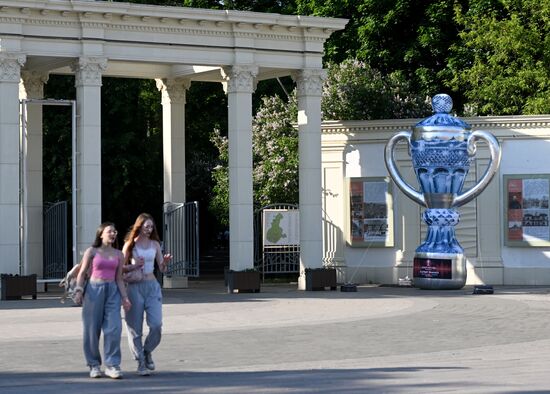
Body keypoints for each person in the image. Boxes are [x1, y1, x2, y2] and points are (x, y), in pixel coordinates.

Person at [74, 222, 132, 379]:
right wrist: (79, 290)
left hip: (112, 291)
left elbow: (119, 278)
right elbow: (82, 272)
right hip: (93, 290)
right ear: (101, 234)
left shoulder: (119, 254)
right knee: (92, 330)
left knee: (114, 328)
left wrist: (125, 298)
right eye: (110, 231)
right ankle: (93, 364)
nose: (113, 234)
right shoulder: (92, 251)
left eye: (115, 231)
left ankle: (112, 365)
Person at [122, 213, 172, 376]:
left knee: (156, 324)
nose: (149, 229)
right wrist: (135, 267)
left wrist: (164, 263)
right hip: (134, 287)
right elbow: (120, 269)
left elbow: (162, 269)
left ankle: (147, 350)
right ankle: (140, 362)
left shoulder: (155, 244)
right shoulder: (130, 245)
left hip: (152, 287)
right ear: (139, 226)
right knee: (134, 328)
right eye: (146, 226)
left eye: (151, 226)